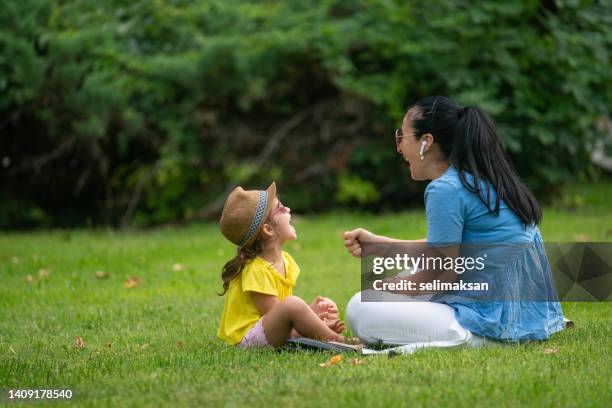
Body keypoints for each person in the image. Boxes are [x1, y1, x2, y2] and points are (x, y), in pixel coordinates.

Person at [343, 96, 565, 349]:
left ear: (426, 142)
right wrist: (379, 246)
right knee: (400, 280)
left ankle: (473, 338)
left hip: (493, 318)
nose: (399, 148)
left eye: (401, 137)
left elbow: (439, 274)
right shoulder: (483, 178)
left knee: (361, 306)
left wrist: (387, 288)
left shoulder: (445, 189)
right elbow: (453, 250)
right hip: (519, 310)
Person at [217, 182, 345, 348]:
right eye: (281, 208)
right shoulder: (256, 269)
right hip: (248, 340)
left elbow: (283, 312)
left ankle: (322, 332)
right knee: (294, 303)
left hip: (270, 330)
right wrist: (314, 318)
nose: (288, 210)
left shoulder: (285, 260)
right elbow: (277, 314)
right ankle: (338, 341)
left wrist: (314, 313)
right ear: (268, 229)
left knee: (324, 304)